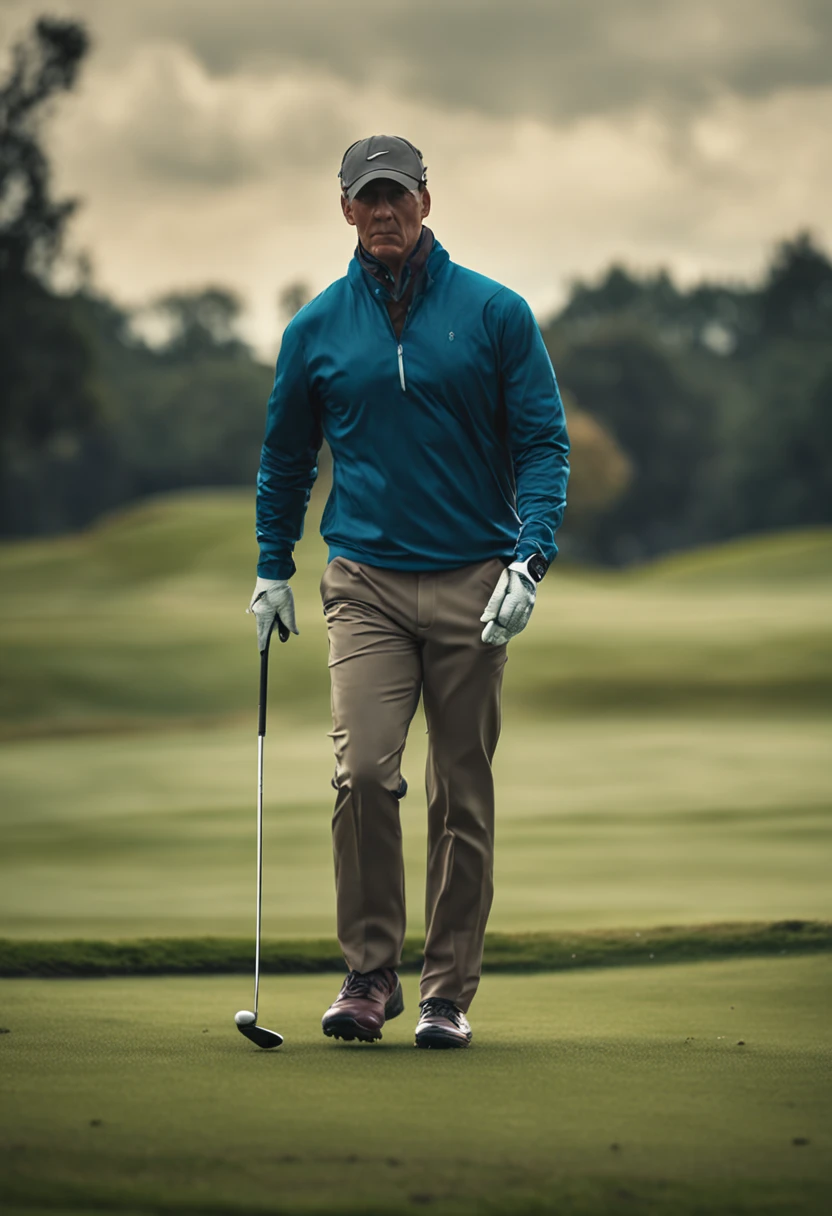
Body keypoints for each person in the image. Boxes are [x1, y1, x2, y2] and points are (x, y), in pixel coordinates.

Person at [250, 135, 569, 1049]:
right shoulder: (314, 329)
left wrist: (528, 559)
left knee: (460, 794)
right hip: (365, 583)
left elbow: (545, 445)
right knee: (362, 773)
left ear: (427, 199)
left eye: (398, 194)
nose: (384, 211)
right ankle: (369, 974)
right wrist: (274, 565)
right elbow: (283, 458)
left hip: (476, 575)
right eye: (366, 198)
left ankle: (446, 994)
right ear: (344, 211)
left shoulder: (496, 314)